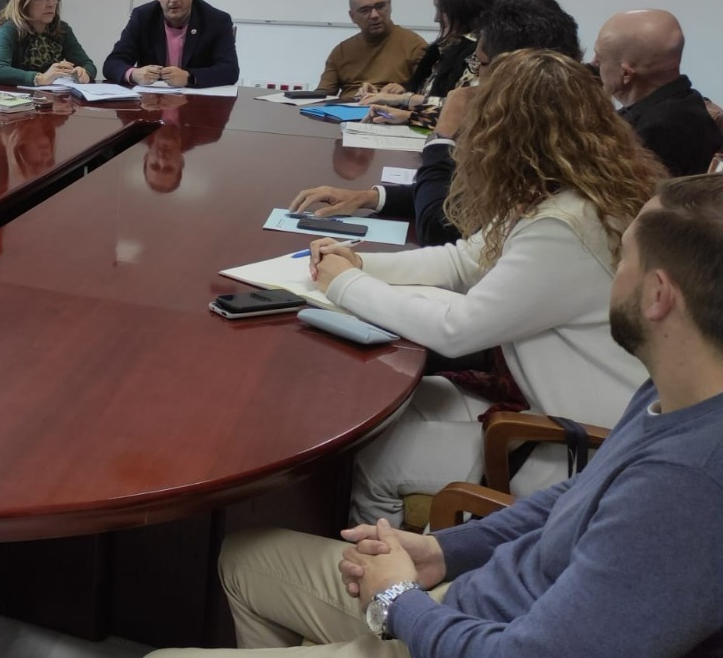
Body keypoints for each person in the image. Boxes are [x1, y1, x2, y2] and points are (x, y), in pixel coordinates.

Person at [147, 174, 723, 658]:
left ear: (658, 296)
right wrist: (446, 550)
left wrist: (400, 602)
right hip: (465, 601)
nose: (609, 273)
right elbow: (574, 499)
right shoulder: (673, 386)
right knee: (244, 557)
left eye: (623, 257)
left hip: (466, 636)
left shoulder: (689, 486)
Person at [308, 50, 662, 527]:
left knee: (376, 459)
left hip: (581, 448)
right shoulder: (573, 194)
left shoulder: (566, 225)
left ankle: (385, 580)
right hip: (564, 411)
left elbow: (459, 329)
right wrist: (359, 264)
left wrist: (347, 285)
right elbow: (463, 259)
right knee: (404, 400)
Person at [290, 0, 581, 246]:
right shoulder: (550, 119)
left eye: (480, 64)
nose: (477, 76)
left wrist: (441, 140)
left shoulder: (543, 145)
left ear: (517, 69)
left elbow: (440, 227)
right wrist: (370, 197)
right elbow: (461, 197)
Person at [590, 9, 723, 176]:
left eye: (600, 58)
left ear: (626, 74)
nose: (593, 63)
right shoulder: (689, 101)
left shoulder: (651, 135)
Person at [358, 0, 497, 124]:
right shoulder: (447, 47)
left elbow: (462, 109)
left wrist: (404, 101)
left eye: (442, 10)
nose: (436, 18)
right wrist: (398, 94)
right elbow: (430, 93)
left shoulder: (482, 50)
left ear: (464, 10)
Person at [102, 0, 239, 88]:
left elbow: (230, 71)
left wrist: (189, 77)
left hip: (197, 104)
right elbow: (112, 64)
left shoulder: (216, 20)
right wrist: (133, 74)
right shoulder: (143, 17)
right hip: (151, 105)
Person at [317, 0, 428, 99]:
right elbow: (322, 95)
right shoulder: (341, 51)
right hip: (347, 110)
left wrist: (405, 92)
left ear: (390, 6)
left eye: (380, 7)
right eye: (365, 10)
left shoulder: (414, 45)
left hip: (392, 112)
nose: (374, 15)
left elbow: (429, 95)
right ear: (352, 16)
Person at [0, 0, 97, 86]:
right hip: (19, 99)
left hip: (53, 97)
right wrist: (40, 78)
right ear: (24, 0)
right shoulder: (10, 29)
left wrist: (84, 72)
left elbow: (88, 64)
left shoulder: (62, 29)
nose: (51, 3)